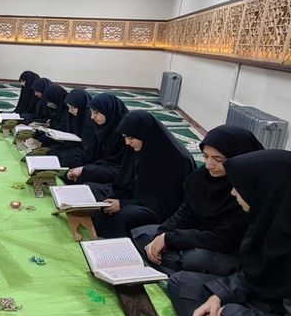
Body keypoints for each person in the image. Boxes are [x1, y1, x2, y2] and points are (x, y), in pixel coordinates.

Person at [167, 149, 291, 316]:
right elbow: (253, 274)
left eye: (240, 187)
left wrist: (231, 312)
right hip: (264, 304)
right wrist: (219, 296)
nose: (233, 192)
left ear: (266, 190)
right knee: (181, 282)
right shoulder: (271, 220)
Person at [132, 125, 264, 276]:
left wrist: (171, 239)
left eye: (218, 160)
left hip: (227, 249)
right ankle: (179, 269)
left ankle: (179, 270)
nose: (209, 165)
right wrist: (163, 233)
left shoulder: (247, 190)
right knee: (143, 235)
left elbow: (225, 239)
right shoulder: (201, 177)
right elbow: (186, 212)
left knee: (194, 259)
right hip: (197, 236)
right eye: (205, 156)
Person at [91, 110, 196, 238]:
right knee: (95, 192)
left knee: (123, 215)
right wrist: (117, 198)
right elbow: (125, 181)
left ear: (145, 134)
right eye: (125, 137)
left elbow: (166, 202)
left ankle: (119, 247)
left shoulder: (177, 160)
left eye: (131, 138)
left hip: (159, 208)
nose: (127, 142)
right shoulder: (138, 148)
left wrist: (123, 204)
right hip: (138, 197)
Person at [66, 93, 129, 185]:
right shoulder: (101, 127)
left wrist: (87, 169)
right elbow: (92, 155)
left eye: (96, 112)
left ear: (108, 110)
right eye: (91, 112)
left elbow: (121, 167)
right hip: (104, 166)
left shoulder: (125, 133)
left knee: (85, 179)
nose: (92, 117)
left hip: (120, 173)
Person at [48, 88, 95, 167]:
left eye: (73, 108)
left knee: (58, 158)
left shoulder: (90, 120)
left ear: (81, 105)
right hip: (73, 146)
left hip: (84, 151)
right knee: (52, 151)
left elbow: (88, 148)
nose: (70, 111)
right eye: (68, 107)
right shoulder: (72, 115)